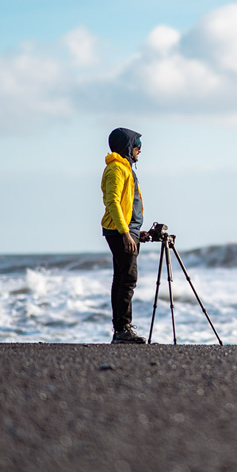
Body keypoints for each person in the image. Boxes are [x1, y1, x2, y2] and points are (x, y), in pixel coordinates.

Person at [101, 127, 148, 344]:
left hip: (128, 230)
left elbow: (128, 204)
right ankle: (122, 330)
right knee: (127, 279)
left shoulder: (125, 168)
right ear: (128, 146)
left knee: (122, 278)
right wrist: (126, 233)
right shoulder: (116, 169)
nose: (140, 149)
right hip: (121, 231)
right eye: (137, 144)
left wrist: (137, 231)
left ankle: (122, 329)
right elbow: (112, 202)